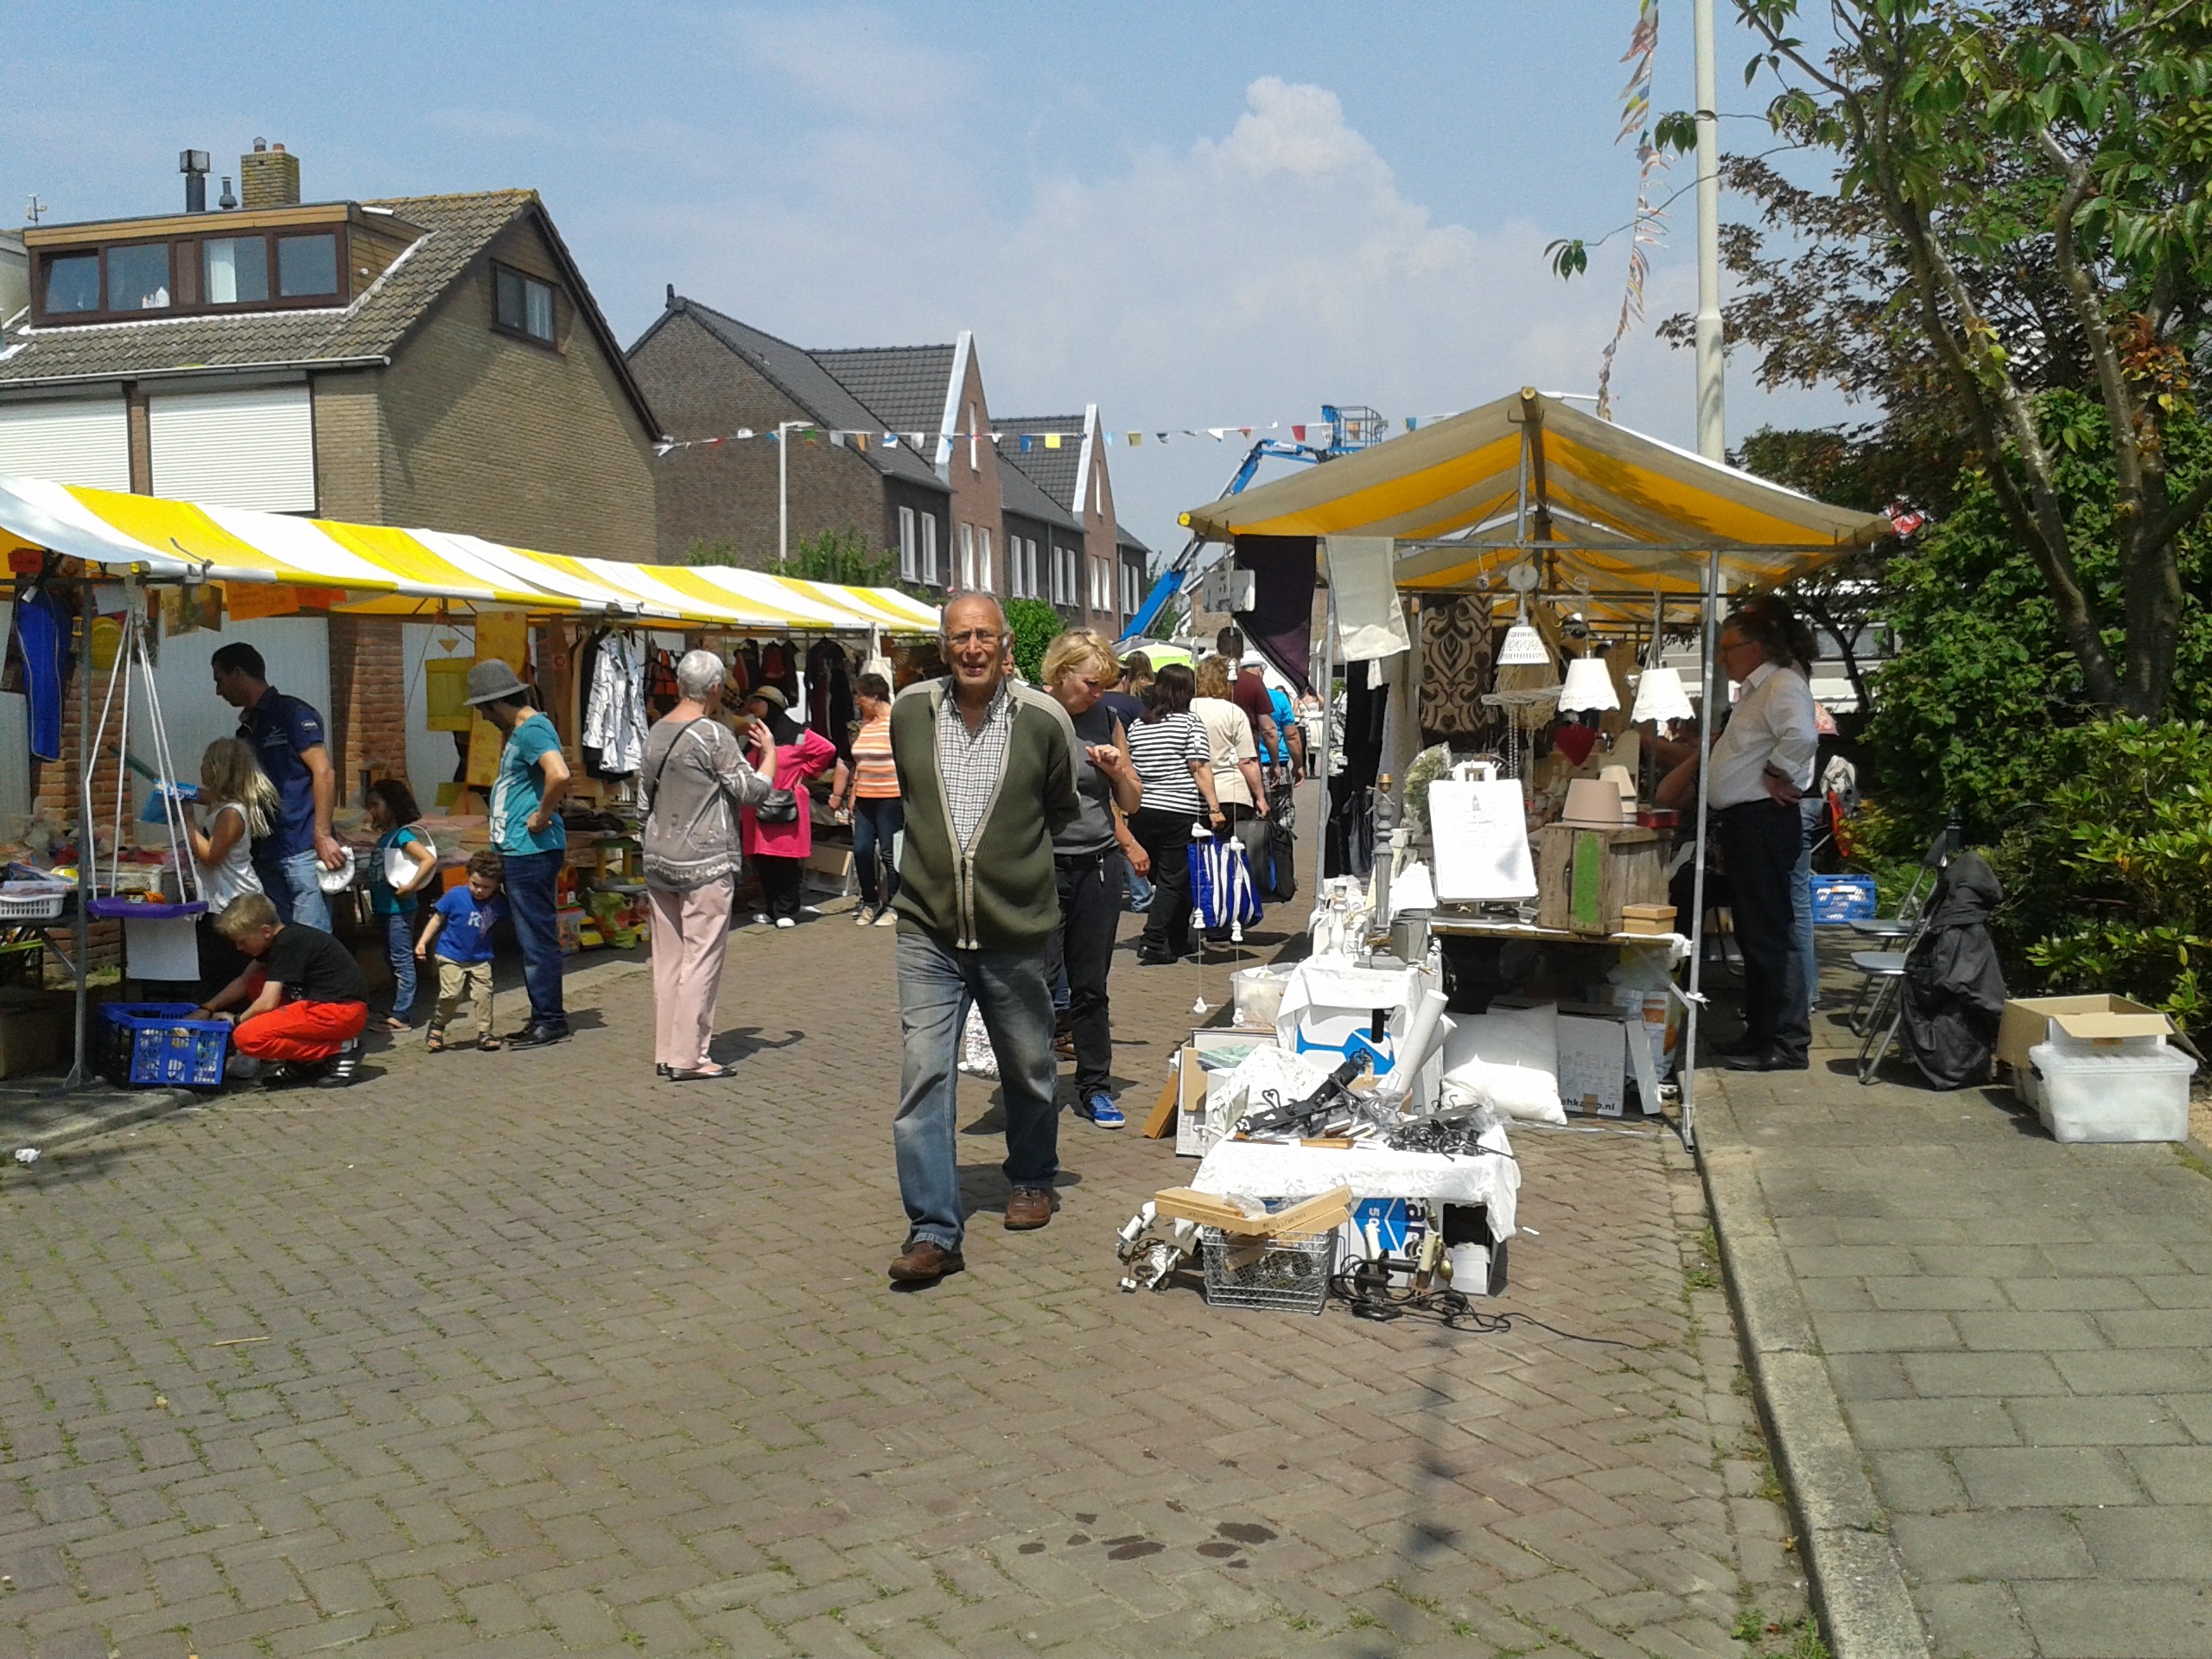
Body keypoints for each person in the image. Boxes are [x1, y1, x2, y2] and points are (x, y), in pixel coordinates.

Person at [884, 592, 1081, 1285]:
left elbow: (1059, 806)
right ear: (943, 645)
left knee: (1028, 1064)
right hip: (928, 927)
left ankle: (1031, 1177)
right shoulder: (910, 711)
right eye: (959, 636)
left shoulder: (1045, 718)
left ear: (1005, 647)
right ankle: (934, 1228)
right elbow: (912, 797)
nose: (972, 648)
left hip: (1014, 924)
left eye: (984, 637)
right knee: (924, 1072)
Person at [1661, 597, 1820, 1072]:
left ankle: (1786, 1043)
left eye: (1729, 648)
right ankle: (1761, 1034)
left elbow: (1803, 736)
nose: (1722, 658)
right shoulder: (1757, 691)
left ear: (1755, 648)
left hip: (1762, 821)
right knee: (1755, 935)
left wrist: (1777, 770)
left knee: (1770, 933)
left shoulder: (1781, 685)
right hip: (1744, 822)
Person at [641, 650, 775, 1080]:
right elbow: (751, 790)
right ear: (716, 688)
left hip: (659, 856)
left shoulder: (655, 732)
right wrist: (769, 753)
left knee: (668, 960)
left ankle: (667, 1050)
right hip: (705, 859)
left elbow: (645, 798)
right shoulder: (712, 736)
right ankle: (689, 1056)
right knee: (702, 957)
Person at [1040, 629, 1143, 1129]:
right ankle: (1033, 1084)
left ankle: (1095, 1086)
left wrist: (1120, 769)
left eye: (1104, 684)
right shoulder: (1033, 716)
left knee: (1090, 986)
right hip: (1042, 867)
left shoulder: (1108, 718)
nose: (1099, 693)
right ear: (1063, 675)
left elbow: (1131, 802)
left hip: (1098, 864)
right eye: (1091, 683)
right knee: (1035, 983)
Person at [463, 660, 571, 1048]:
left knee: (536, 938)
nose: (483, 717)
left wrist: (541, 816)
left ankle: (550, 1018)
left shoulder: (532, 730)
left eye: (482, 709)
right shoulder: (525, 731)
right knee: (531, 937)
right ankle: (543, 1014)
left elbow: (559, 774)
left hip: (531, 851)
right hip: (521, 850)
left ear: (495, 704)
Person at [212, 643, 342, 929]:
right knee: (278, 941)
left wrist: (321, 834)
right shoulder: (246, 729)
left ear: (238, 673)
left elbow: (324, 772)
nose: (218, 691)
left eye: (219, 680)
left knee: (311, 940)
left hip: (302, 847)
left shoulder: (292, 714)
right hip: (266, 852)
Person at [194, 892, 369, 1087]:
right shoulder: (279, 942)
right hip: (326, 1007)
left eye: (243, 941)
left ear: (266, 931)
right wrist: (207, 1007)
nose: (238, 947)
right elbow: (244, 981)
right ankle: (302, 1061)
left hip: (340, 1012)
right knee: (256, 980)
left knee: (247, 1037)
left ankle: (341, 1048)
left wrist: (235, 1022)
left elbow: (267, 1002)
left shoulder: (287, 944)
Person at [1125, 663, 1224, 964]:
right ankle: (1153, 939)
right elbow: (1199, 766)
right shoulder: (1190, 723)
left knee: (1168, 879)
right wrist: (1214, 807)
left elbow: (1132, 769)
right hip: (1180, 810)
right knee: (1173, 878)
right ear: (1186, 692)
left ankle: (1176, 940)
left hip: (1144, 811)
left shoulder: (1138, 726)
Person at [182, 736, 278, 1001]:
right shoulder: (220, 804)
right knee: (214, 969)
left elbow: (212, 856)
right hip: (217, 899)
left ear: (217, 769)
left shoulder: (231, 813)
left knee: (228, 970)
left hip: (232, 900)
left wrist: (188, 822)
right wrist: (175, 790)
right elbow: (203, 795)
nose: (200, 768)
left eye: (204, 762)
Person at [740, 684, 837, 928]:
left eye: (758, 702)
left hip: (785, 804)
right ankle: (773, 908)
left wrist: (804, 772)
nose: (753, 707)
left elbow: (827, 749)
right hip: (758, 806)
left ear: (771, 704)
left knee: (785, 859)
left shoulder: (798, 734)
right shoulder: (757, 734)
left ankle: (788, 910)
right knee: (763, 859)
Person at [1192, 654, 1269, 939]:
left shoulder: (1186, 709)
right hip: (1230, 792)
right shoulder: (1233, 712)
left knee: (1199, 857)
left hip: (1194, 793)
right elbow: (1247, 761)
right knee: (1228, 858)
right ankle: (1226, 917)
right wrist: (1260, 797)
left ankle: (1201, 913)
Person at [829, 672, 903, 926]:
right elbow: (858, 763)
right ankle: (870, 901)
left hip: (891, 798)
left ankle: (894, 904)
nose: (857, 701)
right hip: (864, 799)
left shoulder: (896, 722)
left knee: (888, 853)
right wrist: (849, 794)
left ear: (876, 695)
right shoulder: (863, 726)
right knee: (861, 851)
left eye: (860, 695)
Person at [364, 778, 437, 1032]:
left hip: (398, 910)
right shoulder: (387, 837)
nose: (371, 811)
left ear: (391, 806)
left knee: (401, 960)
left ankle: (402, 1015)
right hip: (386, 910)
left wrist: (412, 886)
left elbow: (427, 859)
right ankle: (398, 1006)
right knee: (391, 957)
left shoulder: (401, 836)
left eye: (375, 804)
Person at [418, 849, 505, 1052]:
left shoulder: (499, 903)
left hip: (481, 956)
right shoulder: (456, 895)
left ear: (496, 886)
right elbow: (437, 919)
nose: (479, 890)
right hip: (451, 954)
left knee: (484, 994)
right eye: (475, 884)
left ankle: (485, 1033)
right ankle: (438, 1025)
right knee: (451, 995)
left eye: (486, 887)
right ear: (469, 876)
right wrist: (423, 942)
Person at [1100, 655, 1152, 913]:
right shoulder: (1130, 705)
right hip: (1120, 774)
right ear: (1123, 679)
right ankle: (1141, 895)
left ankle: (1130, 888)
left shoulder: (1098, 708)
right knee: (1124, 828)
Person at [1217, 626, 1281, 764]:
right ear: (1242, 652)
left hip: (1211, 761)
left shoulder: (1203, 683)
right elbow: (1268, 730)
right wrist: (1275, 763)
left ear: (1218, 650)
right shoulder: (1254, 683)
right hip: (1247, 760)